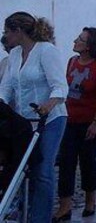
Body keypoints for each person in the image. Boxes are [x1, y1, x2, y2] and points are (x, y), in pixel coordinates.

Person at [0, 12, 68, 223]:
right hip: (22, 121)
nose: (5, 36)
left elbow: (60, 85)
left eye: (7, 32)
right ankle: (20, 211)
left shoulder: (46, 51)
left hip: (50, 119)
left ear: (18, 31)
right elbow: (7, 87)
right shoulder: (14, 54)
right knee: (19, 167)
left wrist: (48, 104)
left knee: (42, 169)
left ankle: (40, 218)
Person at [55, 27, 96, 221]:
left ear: (88, 46)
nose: (75, 41)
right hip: (70, 120)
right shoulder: (72, 62)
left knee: (87, 160)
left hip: (90, 121)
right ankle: (65, 206)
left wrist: (95, 123)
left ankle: (90, 200)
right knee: (66, 162)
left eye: (79, 39)